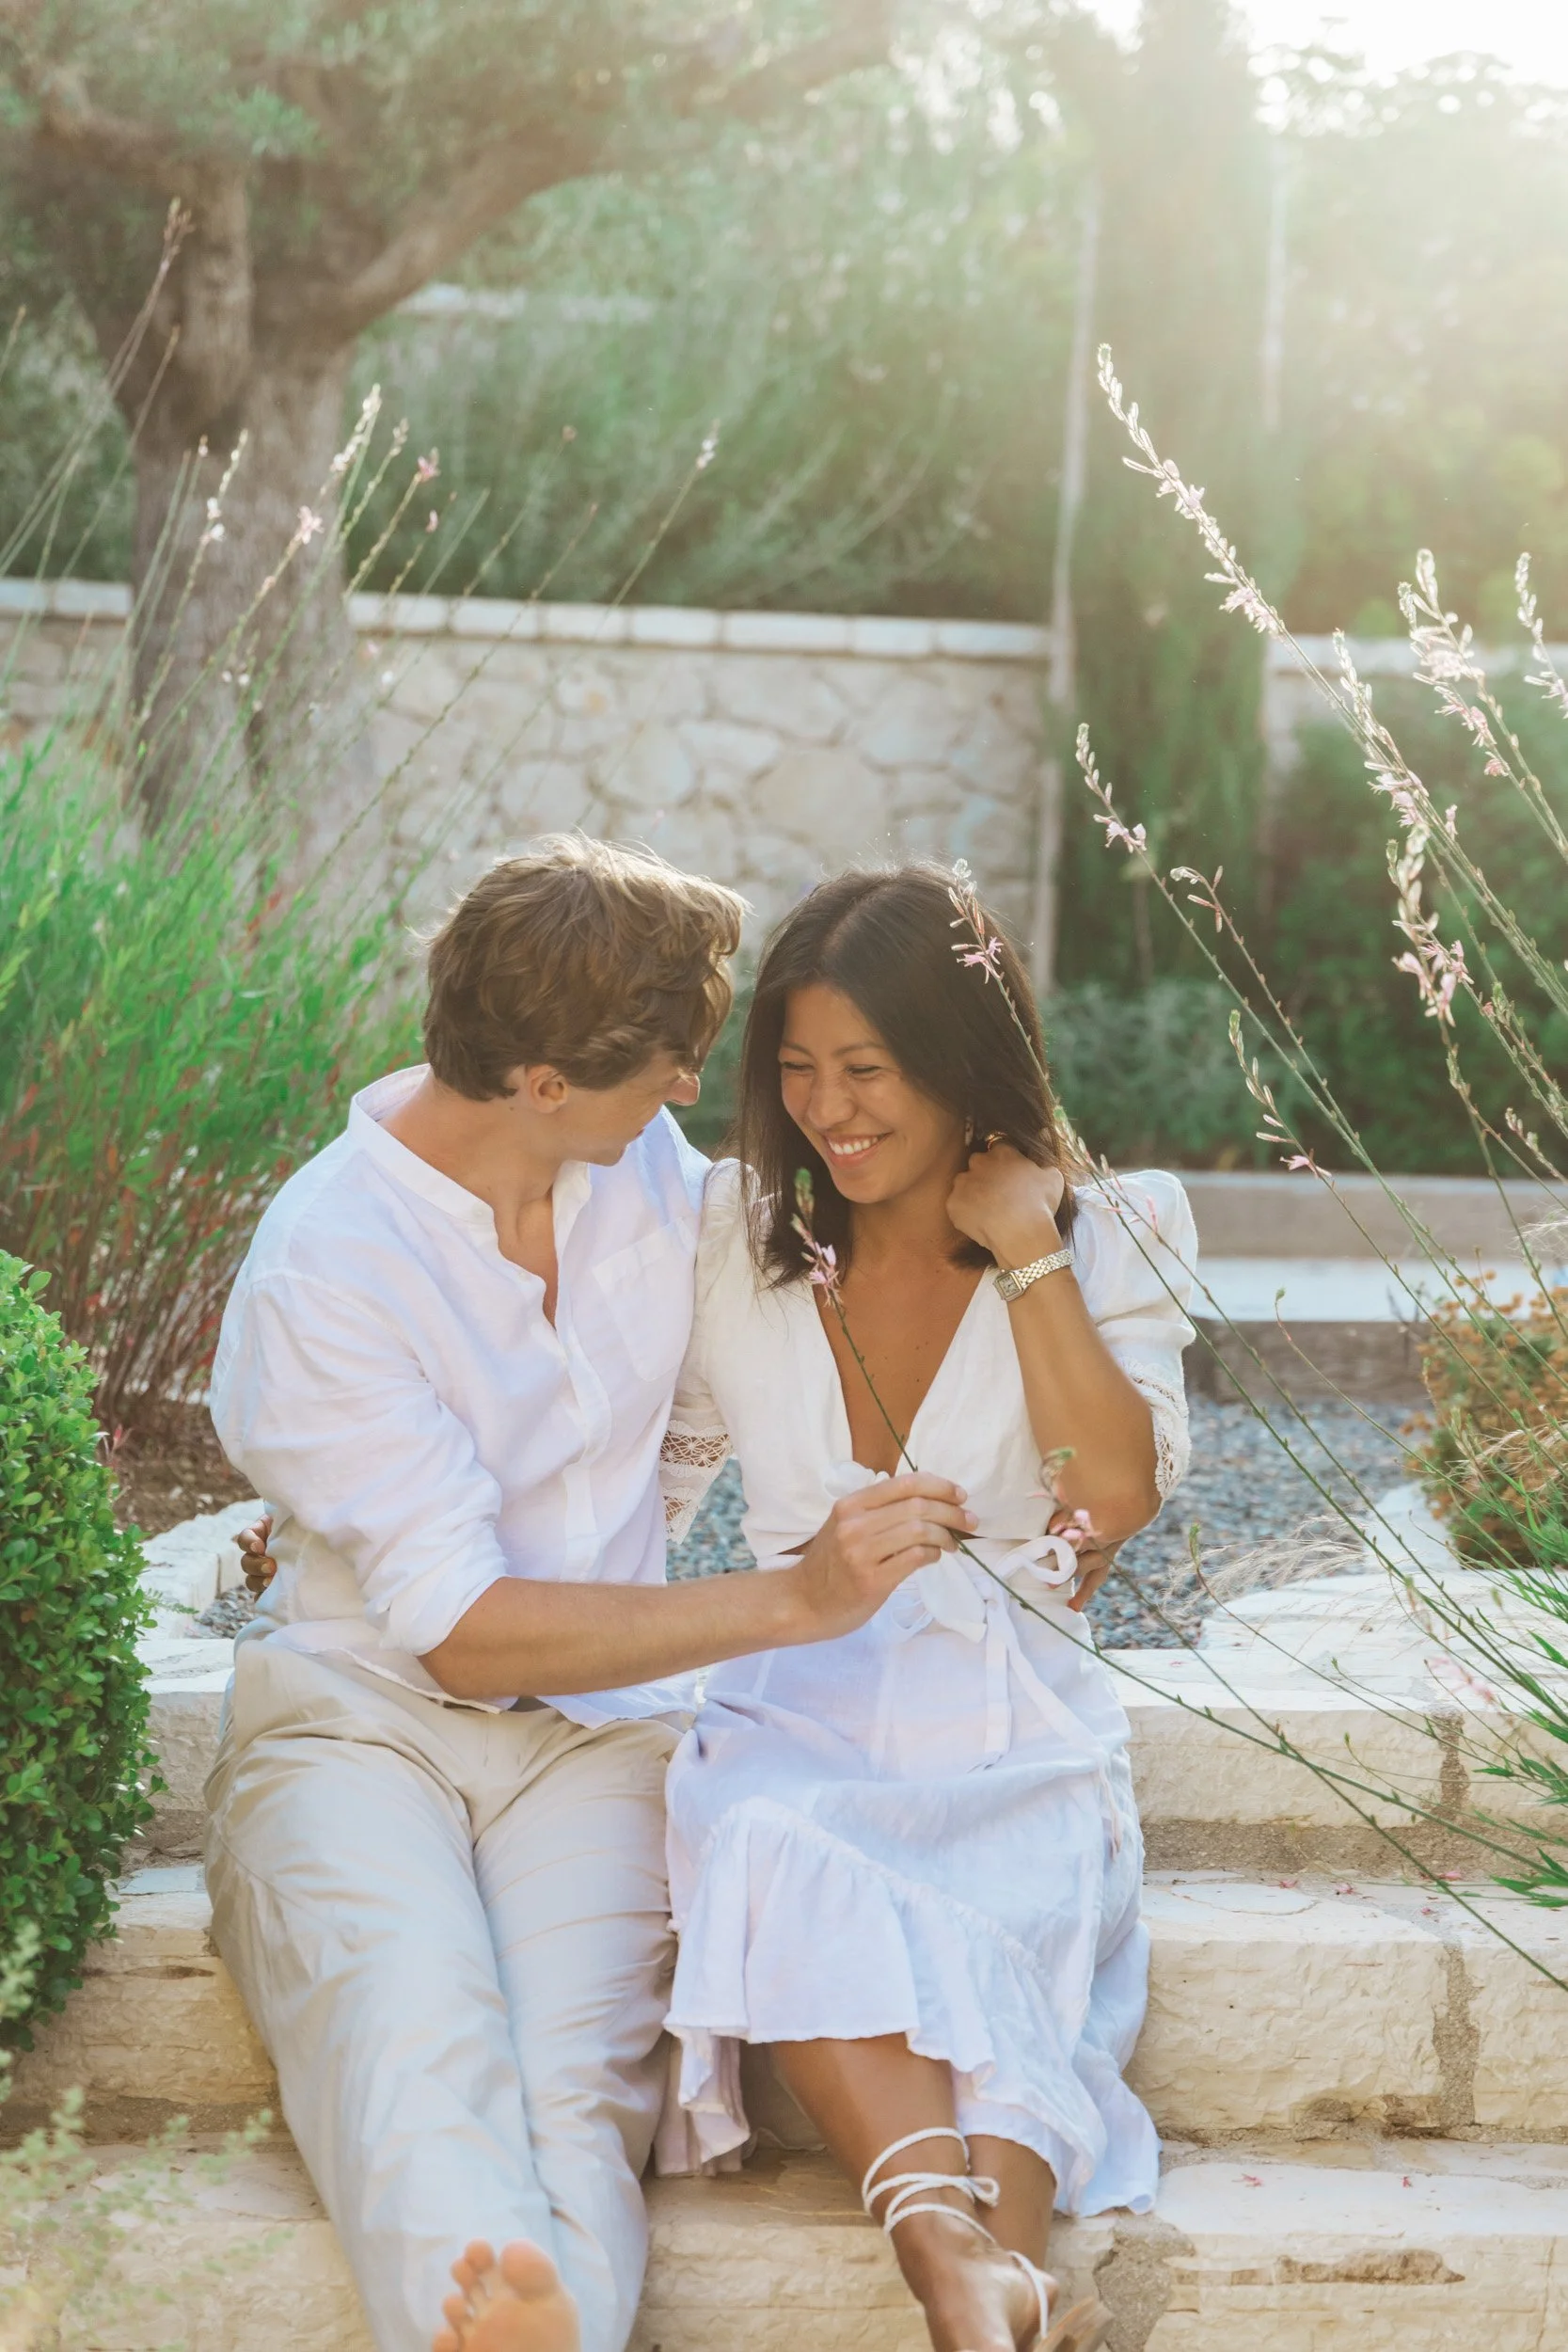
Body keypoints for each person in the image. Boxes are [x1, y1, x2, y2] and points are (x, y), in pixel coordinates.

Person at [206, 838, 978, 2352]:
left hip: (596, 1736)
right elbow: (467, 1630)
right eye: (667, 1066)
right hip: (361, 1723)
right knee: (406, 2018)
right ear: (542, 1082)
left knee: (580, 2080)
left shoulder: (644, 1185)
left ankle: (521, 2322)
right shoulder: (327, 1268)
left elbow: (859, 1243)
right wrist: (789, 1602)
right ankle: (485, 2296)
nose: (689, 1093)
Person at [650, 866, 1196, 2352]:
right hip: (795, 1693)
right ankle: (982, 2278)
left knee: (1005, 1896)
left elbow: (1112, 1497)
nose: (829, 1109)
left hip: (1010, 1703)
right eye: (798, 1069)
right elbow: (639, 1476)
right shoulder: (732, 1234)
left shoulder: (1111, 1226)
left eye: (869, 1071)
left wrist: (1027, 1254)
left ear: (963, 1063)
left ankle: (974, 2274)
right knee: (765, 1839)